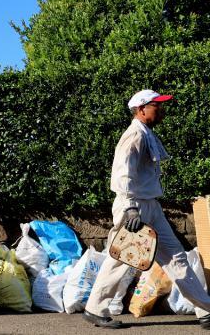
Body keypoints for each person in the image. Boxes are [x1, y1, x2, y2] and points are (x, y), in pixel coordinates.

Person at [83, 89, 210, 329]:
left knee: (176, 257)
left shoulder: (146, 134)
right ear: (142, 109)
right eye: (156, 105)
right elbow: (122, 173)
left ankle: (205, 310)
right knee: (122, 259)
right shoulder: (135, 136)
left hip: (150, 204)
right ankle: (95, 309)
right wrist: (131, 208)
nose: (161, 109)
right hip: (134, 205)